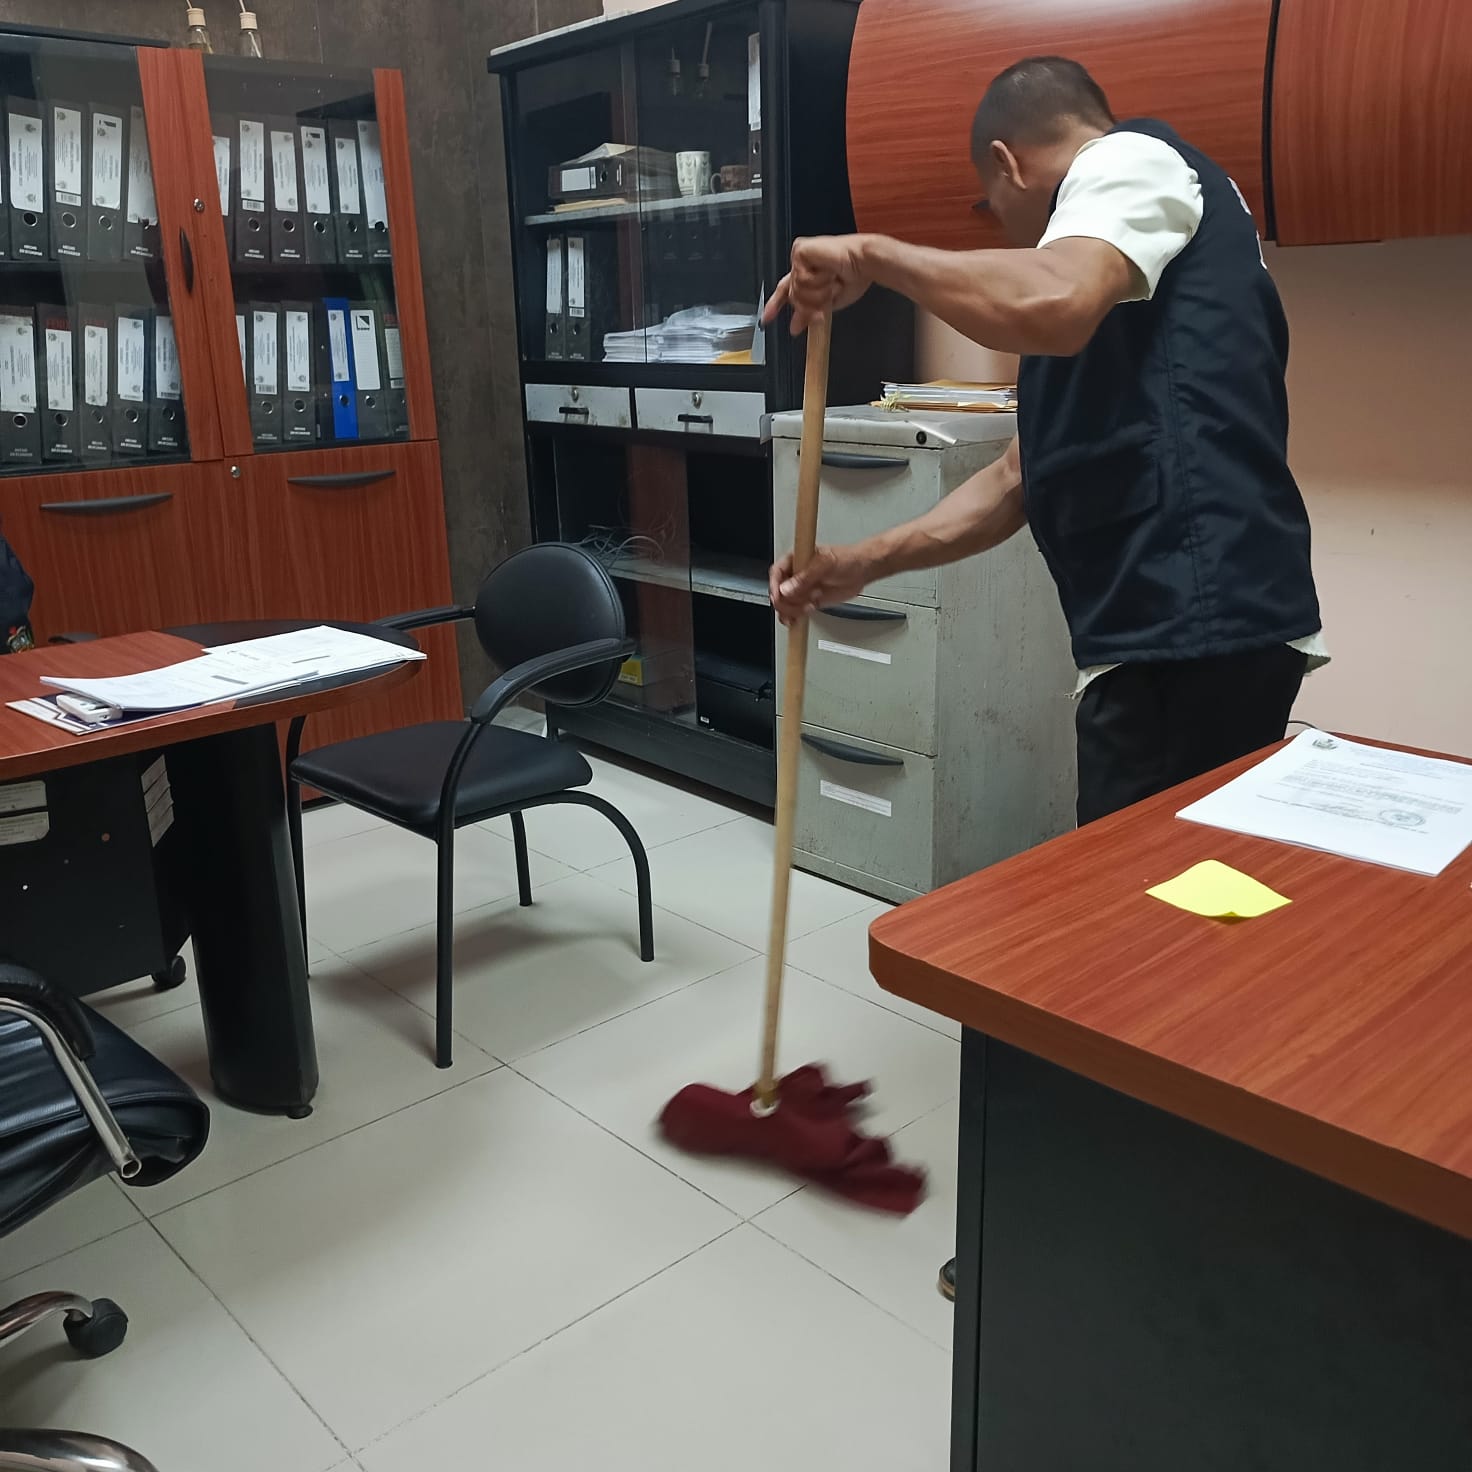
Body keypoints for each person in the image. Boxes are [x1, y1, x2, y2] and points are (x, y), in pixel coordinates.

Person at [765, 56, 1326, 1302]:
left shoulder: (1126, 172)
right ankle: (1172, 1210)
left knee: (1133, 949)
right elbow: (1023, 477)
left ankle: (1096, 1240)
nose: (1008, 234)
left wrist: (878, 257)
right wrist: (854, 562)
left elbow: (1054, 301)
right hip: (1177, 635)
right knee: (1176, 935)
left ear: (1008, 165)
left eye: (994, 211)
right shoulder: (1118, 260)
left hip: (1192, 632)